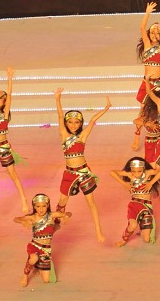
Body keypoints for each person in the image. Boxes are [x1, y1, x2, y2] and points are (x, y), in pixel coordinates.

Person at [54, 88, 110, 243]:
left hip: (84, 172)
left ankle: (98, 230)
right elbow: (60, 116)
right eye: (70, 122)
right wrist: (57, 99)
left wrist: (106, 108)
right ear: (66, 123)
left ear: (80, 123)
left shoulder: (83, 136)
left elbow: (92, 121)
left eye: (77, 122)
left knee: (91, 202)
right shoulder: (64, 135)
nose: (73, 125)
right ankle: (56, 223)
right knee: (62, 201)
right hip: (69, 173)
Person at [0, 66, 28, 212]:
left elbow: (10, 95)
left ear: (4, 102)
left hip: (4, 147)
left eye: (0, 98)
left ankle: (23, 199)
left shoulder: (5, 114)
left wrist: (10, 78)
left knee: (12, 173)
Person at [15, 193, 71, 287]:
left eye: (43, 206)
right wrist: (23, 221)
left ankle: (37, 265)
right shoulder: (33, 217)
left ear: (47, 205)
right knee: (34, 258)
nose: (41, 209)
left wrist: (65, 216)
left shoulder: (52, 215)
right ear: (34, 206)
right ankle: (25, 275)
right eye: (38, 206)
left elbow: (68, 213)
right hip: (34, 246)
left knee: (46, 280)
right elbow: (16, 219)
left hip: (46, 250)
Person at [110, 157, 160, 246]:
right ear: (131, 169)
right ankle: (124, 240)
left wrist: (151, 183)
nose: (136, 174)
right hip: (134, 205)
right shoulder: (130, 175)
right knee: (133, 225)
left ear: (143, 168)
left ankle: (142, 227)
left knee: (146, 239)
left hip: (147, 206)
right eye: (134, 171)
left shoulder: (148, 173)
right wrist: (124, 184)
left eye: (139, 171)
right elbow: (112, 172)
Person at [135, 1, 160, 102]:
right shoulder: (147, 45)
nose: (154, 35)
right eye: (152, 33)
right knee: (142, 102)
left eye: (158, 33)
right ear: (149, 34)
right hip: (147, 80)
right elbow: (142, 28)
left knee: (158, 104)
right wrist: (147, 13)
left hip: (159, 81)